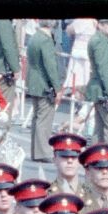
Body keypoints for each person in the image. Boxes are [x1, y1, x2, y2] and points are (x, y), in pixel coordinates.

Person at [26, 20, 63, 162]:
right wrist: (57, 87)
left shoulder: (35, 36)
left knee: (37, 117)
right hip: (43, 83)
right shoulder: (46, 40)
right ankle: (43, 152)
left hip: (34, 81)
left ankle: (36, 152)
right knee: (44, 118)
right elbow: (51, 66)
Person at [85, 19, 108, 146]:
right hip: (104, 91)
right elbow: (104, 70)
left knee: (99, 131)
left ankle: (95, 162)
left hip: (101, 89)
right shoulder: (100, 42)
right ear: (100, 25)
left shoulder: (101, 40)